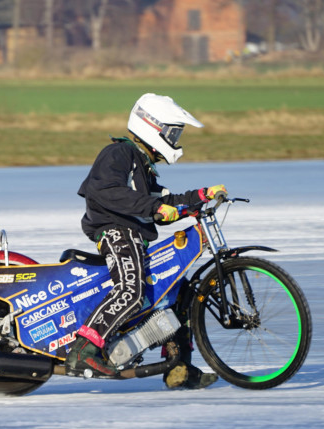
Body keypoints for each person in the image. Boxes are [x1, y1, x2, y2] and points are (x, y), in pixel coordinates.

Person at [64, 93, 226, 388]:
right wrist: (154, 208)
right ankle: (83, 351)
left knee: (179, 289)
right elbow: (104, 191)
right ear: (153, 127)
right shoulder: (118, 155)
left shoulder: (142, 167)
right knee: (132, 290)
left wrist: (200, 196)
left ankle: (179, 366)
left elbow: (164, 203)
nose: (175, 138)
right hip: (115, 231)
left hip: (134, 236)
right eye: (172, 132)